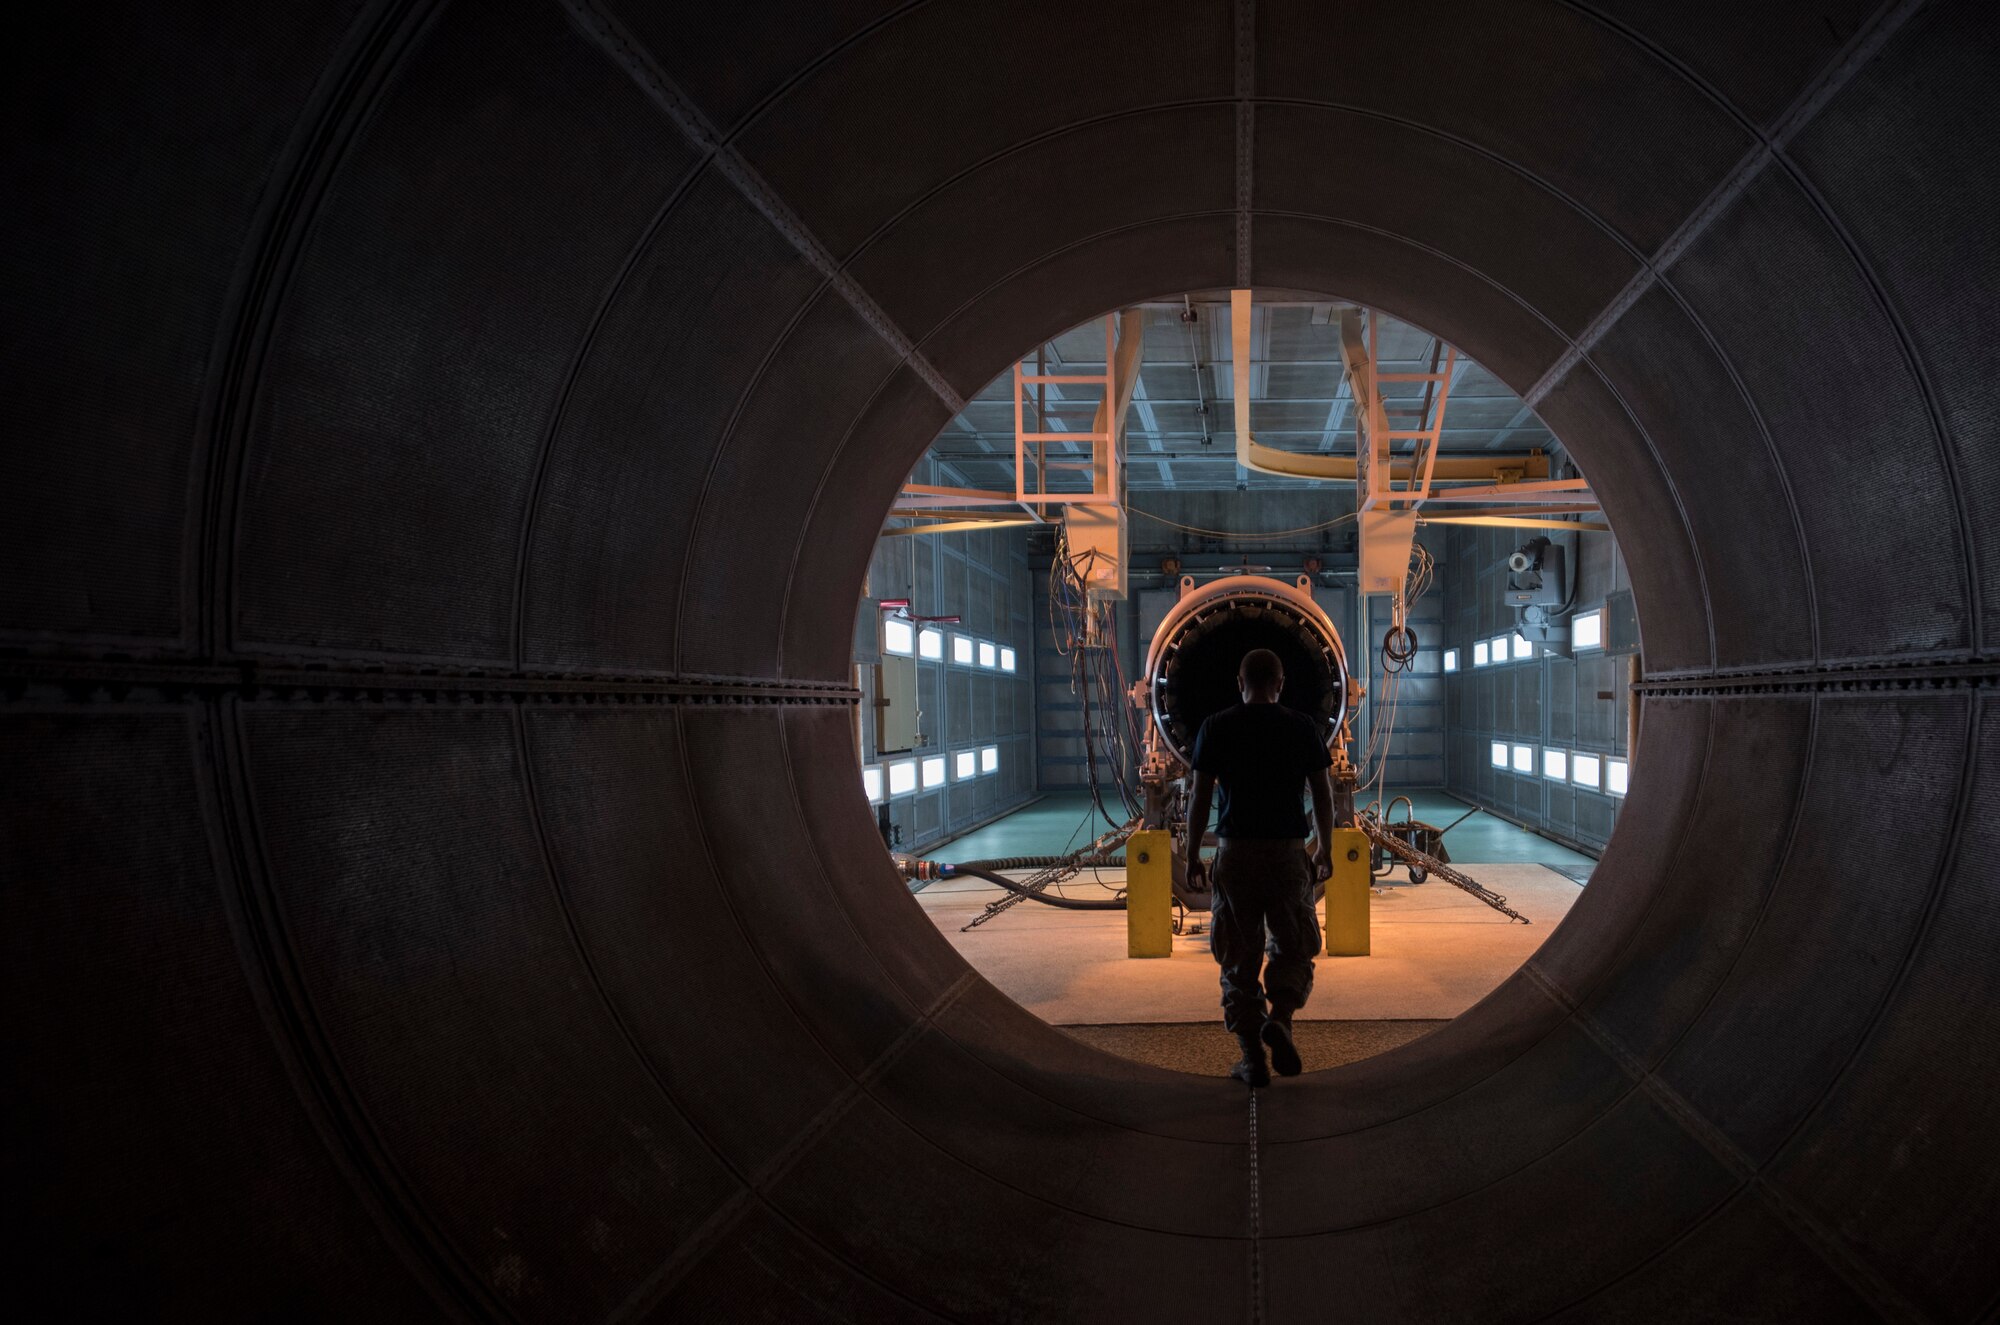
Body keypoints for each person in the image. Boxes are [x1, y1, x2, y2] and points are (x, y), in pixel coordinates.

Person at [1184, 647, 1336, 1087]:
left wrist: (1194, 853)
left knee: (1238, 957)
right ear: (1281, 683)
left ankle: (1253, 1061)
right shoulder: (1302, 727)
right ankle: (1282, 1020)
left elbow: (1198, 798)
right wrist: (1324, 848)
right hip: (1288, 853)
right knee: (1294, 947)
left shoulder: (1216, 727)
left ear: (1240, 682)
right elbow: (1323, 794)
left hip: (1236, 855)